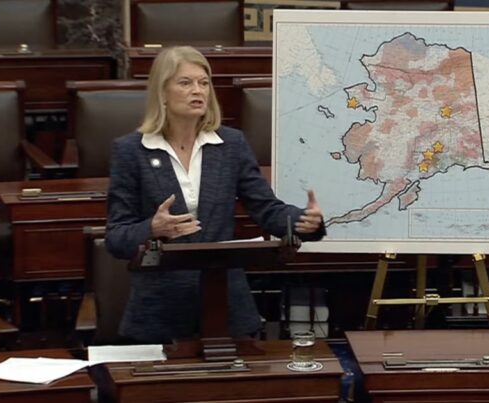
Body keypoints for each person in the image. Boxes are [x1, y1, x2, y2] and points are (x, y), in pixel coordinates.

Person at [105, 46, 325, 343]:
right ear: (162, 92)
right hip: (160, 309)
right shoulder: (132, 151)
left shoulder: (230, 145)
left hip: (227, 304)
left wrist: (302, 221)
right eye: (185, 83)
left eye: (204, 82)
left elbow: (266, 209)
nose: (198, 91)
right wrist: (152, 228)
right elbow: (117, 237)